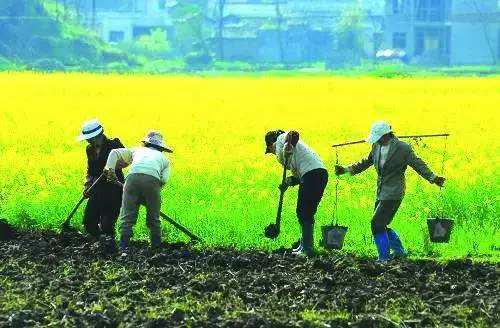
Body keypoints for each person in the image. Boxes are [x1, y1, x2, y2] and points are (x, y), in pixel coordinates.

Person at [335, 121, 445, 262]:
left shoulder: (402, 148)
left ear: (386, 135)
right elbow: (365, 163)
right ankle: (399, 252)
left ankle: (384, 258)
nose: (376, 140)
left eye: (378, 137)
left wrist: (433, 178)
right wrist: (345, 170)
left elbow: (418, 163)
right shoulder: (376, 146)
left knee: (376, 224)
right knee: (381, 225)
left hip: (394, 192)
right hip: (381, 191)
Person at [103, 131, 172, 251]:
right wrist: (151, 195)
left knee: (127, 216)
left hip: (132, 179)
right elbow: (163, 179)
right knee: (154, 218)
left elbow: (114, 153)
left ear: (145, 144)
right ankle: (156, 247)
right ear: (161, 148)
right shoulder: (165, 160)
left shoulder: (137, 151)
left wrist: (110, 170)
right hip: (153, 181)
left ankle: (123, 246)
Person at [265, 130, 328, 257]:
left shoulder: (281, 140)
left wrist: (288, 145)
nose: (271, 153)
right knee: (305, 212)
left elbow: (293, 133)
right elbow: (298, 176)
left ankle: (307, 248)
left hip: (312, 174)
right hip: (318, 174)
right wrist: (287, 183)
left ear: (271, 144)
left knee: (303, 211)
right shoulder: (288, 155)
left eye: (269, 150)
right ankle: (304, 246)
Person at [77, 119, 124, 240]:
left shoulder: (114, 144)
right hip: (96, 189)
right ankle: (98, 244)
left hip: (114, 187)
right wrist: (87, 186)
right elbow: (90, 170)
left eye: (88, 138)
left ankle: (110, 246)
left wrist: (111, 168)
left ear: (95, 136)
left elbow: (126, 161)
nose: (86, 140)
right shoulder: (89, 149)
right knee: (89, 222)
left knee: (107, 224)